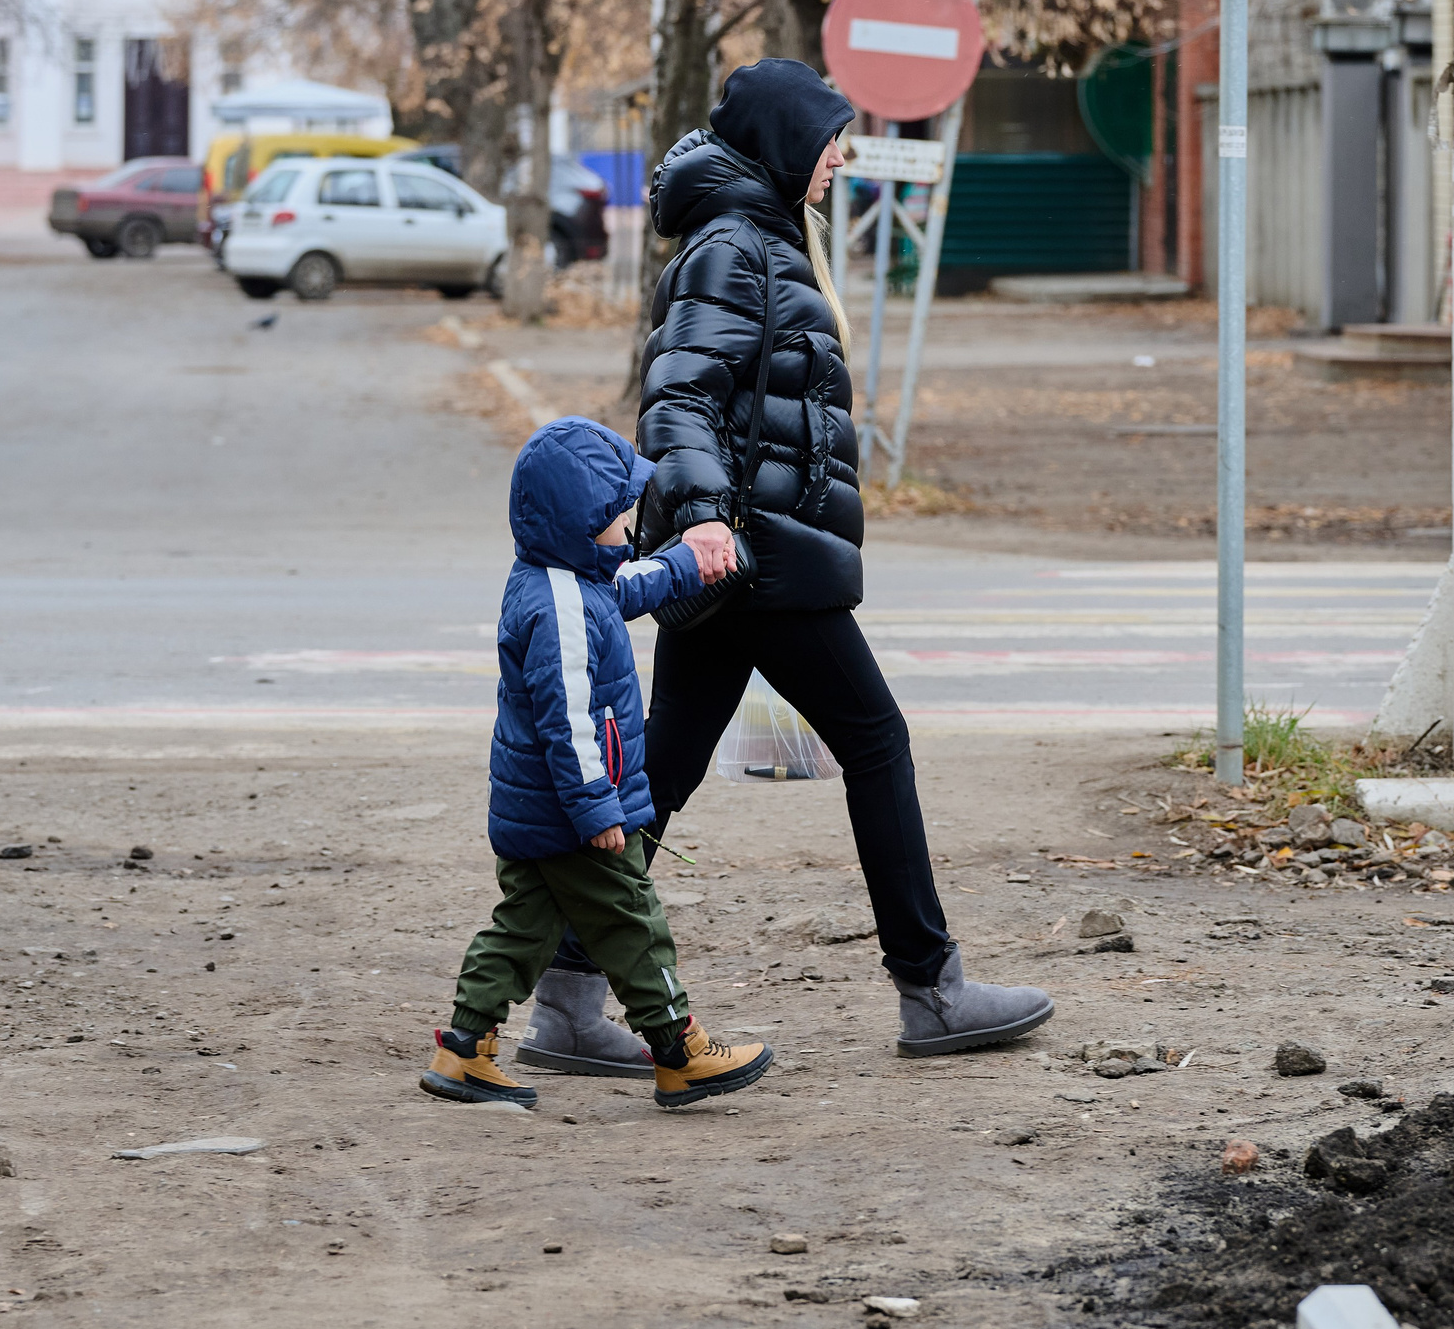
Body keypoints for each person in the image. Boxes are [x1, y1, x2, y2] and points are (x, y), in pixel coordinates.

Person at [521, 59, 1054, 1075]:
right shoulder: (735, 247)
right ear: (781, 143)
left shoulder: (759, 236)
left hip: (744, 552)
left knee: (661, 773)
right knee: (876, 741)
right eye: (827, 139)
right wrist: (709, 523)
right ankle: (933, 990)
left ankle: (568, 998)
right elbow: (679, 397)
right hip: (754, 554)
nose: (840, 158)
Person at [421, 416, 776, 1112]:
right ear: (581, 522)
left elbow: (629, 585)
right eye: (618, 516)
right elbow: (570, 722)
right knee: (633, 923)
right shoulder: (561, 608)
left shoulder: (562, 578)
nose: (629, 528)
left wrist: (687, 564)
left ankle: (462, 1049)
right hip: (574, 812)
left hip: (536, 810)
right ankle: (679, 1051)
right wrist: (597, 810)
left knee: (523, 929)